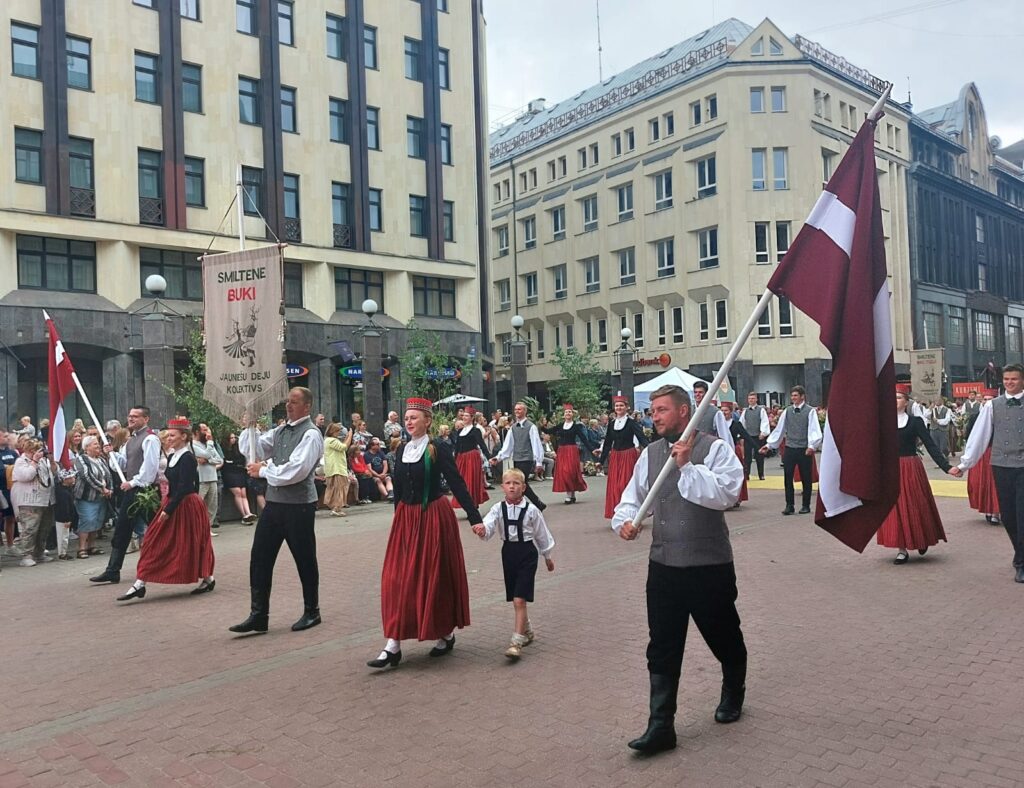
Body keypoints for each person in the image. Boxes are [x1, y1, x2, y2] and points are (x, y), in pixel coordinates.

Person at [612, 384, 746, 754]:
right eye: (652, 410)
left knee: (723, 635)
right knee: (662, 644)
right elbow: (632, 498)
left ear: (684, 411)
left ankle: (734, 689)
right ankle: (661, 726)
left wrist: (687, 465)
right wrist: (625, 521)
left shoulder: (714, 449)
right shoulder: (650, 454)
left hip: (709, 565)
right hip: (664, 566)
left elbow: (726, 494)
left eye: (662, 410)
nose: (654, 416)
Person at [368, 398, 484, 669]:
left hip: (433, 516)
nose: (408, 422)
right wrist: (398, 519)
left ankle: (444, 632)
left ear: (427, 421)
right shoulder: (402, 449)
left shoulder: (437, 447)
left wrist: (475, 518)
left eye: (414, 417)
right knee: (397, 578)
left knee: (434, 576)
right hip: (407, 519)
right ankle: (393, 644)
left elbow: (456, 482)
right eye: (406, 417)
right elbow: (398, 487)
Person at [230, 388, 325, 633]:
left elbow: (298, 470)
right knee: (260, 556)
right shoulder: (281, 431)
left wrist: (263, 471)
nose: (288, 406)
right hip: (275, 504)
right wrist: (250, 426)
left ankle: (312, 611)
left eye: (294, 402)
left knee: (304, 558)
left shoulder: (311, 434)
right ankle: (258, 615)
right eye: (287, 402)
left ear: (307, 406)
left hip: (299, 506)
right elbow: (254, 449)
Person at [116, 418, 216, 601]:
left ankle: (208, 577)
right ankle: (140, 583)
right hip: (173, 502)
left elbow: (186, 487)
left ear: (183, 436)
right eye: (168, 435)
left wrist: (168, 509)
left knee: (191, 542)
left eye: (172, 435)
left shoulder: (187, 458)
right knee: (153, 540)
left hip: (186, 505)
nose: (168, 438)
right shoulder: (172, 456)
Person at [472, 468, 555, 659]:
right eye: (508, 483)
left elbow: (542, 534)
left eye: (516, 483)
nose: (512, 487)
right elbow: (489, 525)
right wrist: (482, 530)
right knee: (515, 597)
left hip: (527, 553)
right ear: (502, 486)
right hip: (508, 553)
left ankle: (516, 642)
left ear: (523, 487)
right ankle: (527, 629)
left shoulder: (532, 510)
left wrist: (547, 556)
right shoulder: (498, 508)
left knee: (519, 599)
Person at [952, 364, 1024, 583]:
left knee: (1022, 515)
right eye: (1006, 379)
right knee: (1009, 516)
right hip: (1001, 465)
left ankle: (1021, 563)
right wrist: (964, 464)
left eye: (1014, 379)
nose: (1009, 382)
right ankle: (1019, 553)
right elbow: (979, 436)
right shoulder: (993, 405)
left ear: (1022, 380)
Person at [877, 388, 950, 564]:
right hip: (891, 469)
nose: (895, 400)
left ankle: (921, 537)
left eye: (899, 397)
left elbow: (930, 445)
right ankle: (901, 549)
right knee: (895, 508)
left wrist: (946, 467)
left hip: (910, 467)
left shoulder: (915, 421)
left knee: (917, 503)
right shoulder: (883, 422)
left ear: (907, 402)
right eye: (892, 397)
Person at [89, 406, 161, 583]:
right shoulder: (129, 441)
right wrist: (111, 454)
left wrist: (133, 482)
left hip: (146, 491)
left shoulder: (150, 439)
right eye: (129, 416)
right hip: (132, 490)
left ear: (146, 419)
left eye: (135, 416)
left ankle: (172, 561)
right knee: (122, 528)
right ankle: (113, 570)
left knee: (158, 528)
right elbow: (121, 465)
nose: (131, 419)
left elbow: (150, 468)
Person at [761, 386, 823, 515]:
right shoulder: (787, 411)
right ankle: (789, 505)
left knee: (806, 477)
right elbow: (780, 429)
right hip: (790, 448)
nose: (793, 398)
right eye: (792, 396)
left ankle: (806, 505)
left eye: (796, 395)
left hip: (804, 449)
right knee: (788, 477)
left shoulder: (810, 411)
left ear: (802, 396)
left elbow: (814, 429)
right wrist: (769, 445)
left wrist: (812, 446)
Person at [597, 395, 649, 519]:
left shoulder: (631, 423)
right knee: (615, 486)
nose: (619, 408)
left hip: (628, 455)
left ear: (626, 407)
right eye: (617, 406)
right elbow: (608, 443)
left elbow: (641, 438)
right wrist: (601, 461)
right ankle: (618, 513)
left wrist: (651, 450)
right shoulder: (611, 424)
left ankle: (631, 514)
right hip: (616, 456)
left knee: (626, 484)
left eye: (621, 405)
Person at [490, 402, 546, 511]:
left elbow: (536, 444)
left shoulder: (531, 427)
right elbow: (508, 446)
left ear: (525, 411)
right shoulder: (513, 428)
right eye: (516, 409)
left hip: (527, 459)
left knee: (520, 482)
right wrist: (498, 457)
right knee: (521, 483)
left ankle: (521, 505)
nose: (517, 411)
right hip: (517, 458)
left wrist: (539, 462)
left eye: (519, 409)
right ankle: (536, 504)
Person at [10, 440, 56, 567]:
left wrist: (51, 461)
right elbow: (26, 476)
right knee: (30, 529)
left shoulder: (43, 461)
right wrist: (34, 461)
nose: (40, 453)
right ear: (29, 451)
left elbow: (54, 473)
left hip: (45, 500)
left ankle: (39, 553)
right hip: (29, 501)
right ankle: (26, 555)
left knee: (44, 528)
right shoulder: (21, 461)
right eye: (36, 450)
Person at [543, 405, 598, 504]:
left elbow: (584, 439)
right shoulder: (560, 425)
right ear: (564, 415)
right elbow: (548, 431)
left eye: (569, 412)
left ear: (572, 414)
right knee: (564, 472)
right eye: (566, 412)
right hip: (562, 451)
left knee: (570, 472)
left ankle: (570, 494)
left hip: (571, 451)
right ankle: (570, 494)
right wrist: (544, 424)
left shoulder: (576, 427)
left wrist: (592, 449)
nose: (568, 413)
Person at [74, 435, 113, 559]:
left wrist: (110, 489)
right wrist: (102, 488)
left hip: (101, 497)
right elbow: (86, 475)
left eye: (97, 443)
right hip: (87, 497)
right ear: (86, 447)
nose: (98, 446)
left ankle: (92, 546)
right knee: (87, 520)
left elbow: (109, 475)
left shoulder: (101, 460)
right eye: (95, 444)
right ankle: (81, 548)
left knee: (97, 521)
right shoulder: (81, 459)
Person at [451, 408, 490, 510]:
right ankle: (465, 502)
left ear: (472, 418)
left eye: (466, 416)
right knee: (461, 481)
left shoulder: (475, 431)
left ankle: (473, 504)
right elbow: (457, 446)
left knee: (471, 481)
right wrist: (454, 459)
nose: (464, 417)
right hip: (461, 458)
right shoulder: (460, 431)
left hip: (472, 458)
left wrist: (489, 457)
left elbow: (481, 444)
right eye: (463, 415)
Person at [192, 423, 224, 537]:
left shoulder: (207, 444)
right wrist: (209, 449)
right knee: (199, 505)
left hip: (213, 478)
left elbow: (219, 460)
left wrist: (208, 460)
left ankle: (207, 528)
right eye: (204, 430)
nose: (207, 433)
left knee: (212, 505)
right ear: (197, 432)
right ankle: (197, 529)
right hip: (201, 479)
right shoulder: (193, 444)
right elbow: (207, 454)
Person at [221, 431, 257, 524]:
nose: (233, 440)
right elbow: (225, 462)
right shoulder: (223, 449)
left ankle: (248, 513)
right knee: (238, 492)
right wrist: (232, 463)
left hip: (239, 473)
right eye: (231, 438)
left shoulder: (237, 448)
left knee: (243, 493)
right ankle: (244, 515)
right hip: (229, 473)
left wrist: (232, 463)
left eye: (234, 438)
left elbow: (240, 460)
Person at [718, 402, 750, 507]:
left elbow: (746, 436)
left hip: (734, 451)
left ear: (731, 412)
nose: (724, 413)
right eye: (722, 411)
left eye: (726, 410)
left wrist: (758, 447)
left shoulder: (736, 424)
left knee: (736, 474)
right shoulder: (717, 424)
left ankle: (738, 498)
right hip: (721, 452)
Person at [690, 382, 734, 447]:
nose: (697, 394)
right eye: (695, 392)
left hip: (709, 449)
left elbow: (724, 435)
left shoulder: (715, 412)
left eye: (700, 392)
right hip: (691, 448)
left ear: (706, 394)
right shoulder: (689, 410)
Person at [323, 422, 352, 516]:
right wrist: (350, 436)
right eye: (337, 431)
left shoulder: (328, 440)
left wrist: (346, 438)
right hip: (337, 468)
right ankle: (337, 508)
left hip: (332, 469)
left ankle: (335, 507)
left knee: (334, 488)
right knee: (340, 488)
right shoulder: (332, 440)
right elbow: (343, 447)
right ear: (332, 431)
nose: (339, 433)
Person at [740, 393, 770, 481]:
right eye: (749, 398)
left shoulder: (761, 410)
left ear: (756, 399)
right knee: (747, 457)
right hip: (748, 436)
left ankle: (761, 474)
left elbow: (764, 421)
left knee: (759, 456)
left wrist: (763, 433)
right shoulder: (745, 411)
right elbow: (742, 423)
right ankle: (747, 474)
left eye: (753, 398)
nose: (751, 400)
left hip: (758, 436)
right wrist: (742, 434)